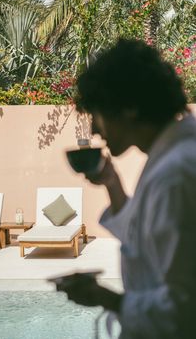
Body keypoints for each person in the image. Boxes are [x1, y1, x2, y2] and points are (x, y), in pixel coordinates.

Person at [55, 38, 196, 339]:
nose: (93, 129)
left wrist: (106, 299)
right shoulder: (172, 158)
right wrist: (113, 184)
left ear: (129, 108)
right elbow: (149, 239)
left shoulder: (175, 174)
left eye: (96, 114)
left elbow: (185, 311)